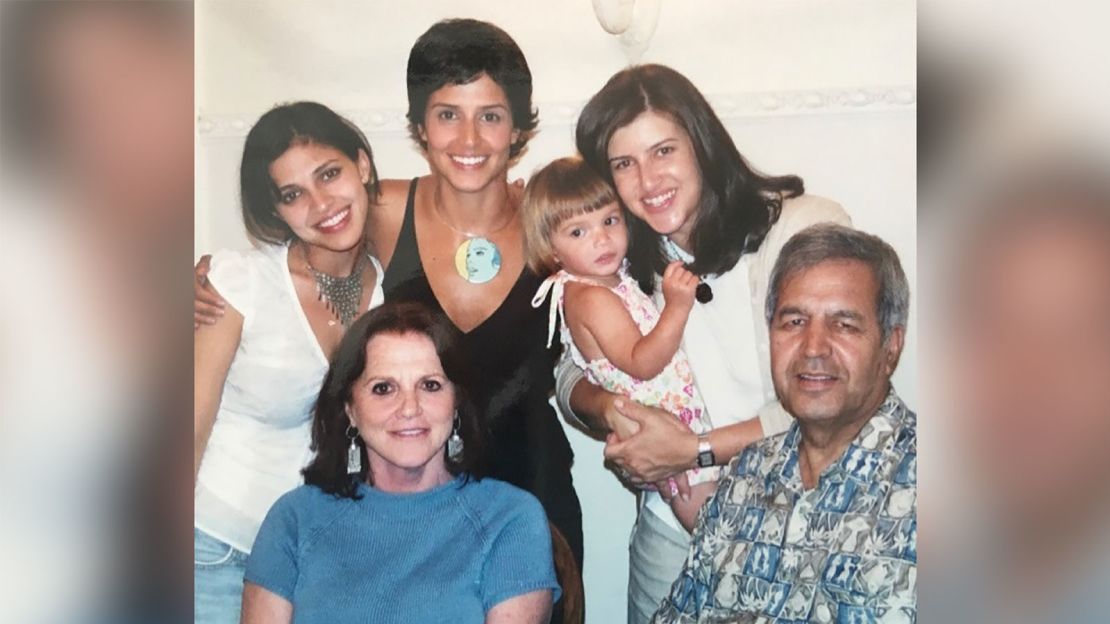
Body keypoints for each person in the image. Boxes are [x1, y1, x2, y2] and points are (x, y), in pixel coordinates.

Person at [194, 17, 584, 601]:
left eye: (491, 116)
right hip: (406, 507)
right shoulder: (383, 212)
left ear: (518, 128)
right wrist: (205, 278)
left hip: (532, 504)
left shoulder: (552, 222)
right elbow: (306, 231)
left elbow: (604, 330)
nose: (469, 140)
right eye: (448, 114)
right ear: (420, 127)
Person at [558, 64, 851, 622]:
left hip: (794, 526)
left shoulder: (802, 232)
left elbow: (835, 397)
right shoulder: (616, 258)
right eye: (624, 164)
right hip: (673, 538)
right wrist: (617, 414)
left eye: (663, 150)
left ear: (702, 144)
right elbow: (569, 371)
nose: (648, 181)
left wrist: (693, 450)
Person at [653, 223, 916, 622]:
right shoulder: (744, 477)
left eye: (844, 325)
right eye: (793, 322)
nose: (813, 347)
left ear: (890, 347)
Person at [241, 301, 560, 624]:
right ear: (350, 408)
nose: (410, 408)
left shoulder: (509, 519)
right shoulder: (294, 519)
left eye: (430, 385)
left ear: (456, 402)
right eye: (383, 388)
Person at [194, 101, 385, 623]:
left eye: (330, 174)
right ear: (276, 210)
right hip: (212, 548)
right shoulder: (239, 284)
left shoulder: (390, 291)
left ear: (362, 167)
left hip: (310, 560)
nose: (321, 203)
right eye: (293, 194)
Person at [523, 156, 717, 530]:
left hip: (676, 420)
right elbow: (642, 362)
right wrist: (676, 307)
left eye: (609, 221)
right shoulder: (590, 297)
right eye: (578, 232)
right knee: (712, 530)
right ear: (551, 248)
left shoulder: (609, 281)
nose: (601, 238)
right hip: (662, 433)